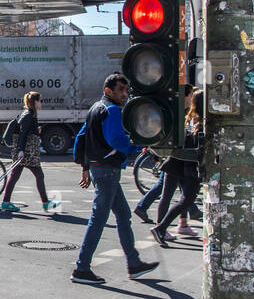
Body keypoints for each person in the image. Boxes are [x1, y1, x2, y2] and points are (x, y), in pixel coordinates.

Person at [71, 74, 159, 284]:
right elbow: (117, 140)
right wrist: (138, 144)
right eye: (121, 90)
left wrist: (85, 165)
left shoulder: (95, 108)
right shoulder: (111, 110)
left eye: (126, 90)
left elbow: (81, 138)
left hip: (99, 168)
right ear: (108, 90)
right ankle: (81, 268)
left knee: (123, 215)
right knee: (98, 219)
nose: (125, 94)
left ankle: (134, 263)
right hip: (107, 169)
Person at [151, 90, 204, 247]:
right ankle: (161, 227)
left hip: (179, 165)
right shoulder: (200, 121)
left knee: (180, 198)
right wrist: (200, 156)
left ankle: (173, 226)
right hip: (187, 166)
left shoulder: (189, 118)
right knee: (182, 199)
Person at [0, 91, 58, 213]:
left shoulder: (29, 114)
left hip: (26, 152)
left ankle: (6, 202)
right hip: (27, 153)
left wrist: (36, 130)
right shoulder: (28, 115)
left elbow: (26, 131)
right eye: (40, 100)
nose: (41, 103)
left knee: (15, 176)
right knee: (38, 175)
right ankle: (45, 203)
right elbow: (23, 134)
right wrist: (20, 150)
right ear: (35, 102)